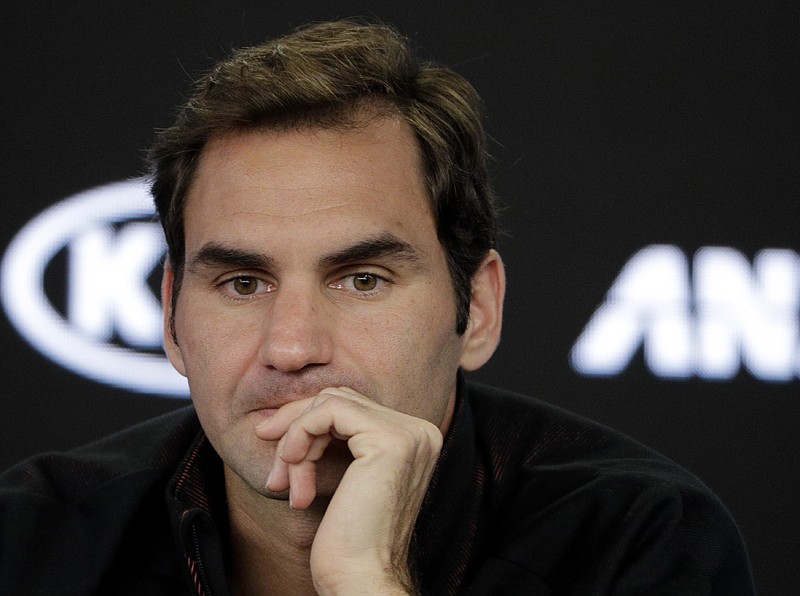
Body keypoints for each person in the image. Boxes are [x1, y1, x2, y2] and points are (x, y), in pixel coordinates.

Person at [0, 20, 754, 596]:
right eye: (242, 284)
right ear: (170, 318)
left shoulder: (633, 538)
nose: (291, 349)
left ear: (478, 309)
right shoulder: (33, 539)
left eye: (362, 279)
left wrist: (367, 576)